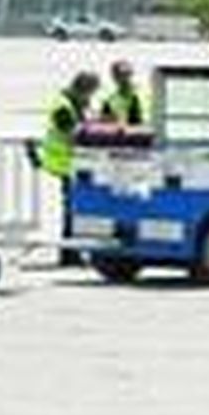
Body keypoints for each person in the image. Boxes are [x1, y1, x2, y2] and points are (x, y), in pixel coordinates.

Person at [40, 71, 100, 264]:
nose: (90, 98)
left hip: (75, 163)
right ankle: (68, 253)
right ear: (81, 89)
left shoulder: (76, 104)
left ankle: (72, 250)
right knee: (71, 208)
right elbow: (71, 133)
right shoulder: (62, 107)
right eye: (89, 93)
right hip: (64, 162)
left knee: (75, 207)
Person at [98, 59, 147, 129]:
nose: (124, 78)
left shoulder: (140, 93)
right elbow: (103, 119)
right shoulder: (110, 99)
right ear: (115, 77)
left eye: (126, 75)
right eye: (120, 75)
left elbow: (143, 119)